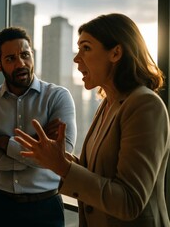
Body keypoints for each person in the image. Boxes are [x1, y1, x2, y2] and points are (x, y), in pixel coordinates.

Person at [14, 13, 170, 227]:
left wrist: (63, 167)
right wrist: (58, 158)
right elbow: (97, 173)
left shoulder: (144, 105)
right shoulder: (108, 103)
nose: (77, 58)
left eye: (86, 48)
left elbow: (129, 202)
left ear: (115, 53)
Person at [0, 26, 77, 227]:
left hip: (46, 207)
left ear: (33, 56)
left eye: (25, 55)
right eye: (11, 59)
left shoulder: (58, 96)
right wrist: (40, 149)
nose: (20, 63)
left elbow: (62, 153)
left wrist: (6, 144)